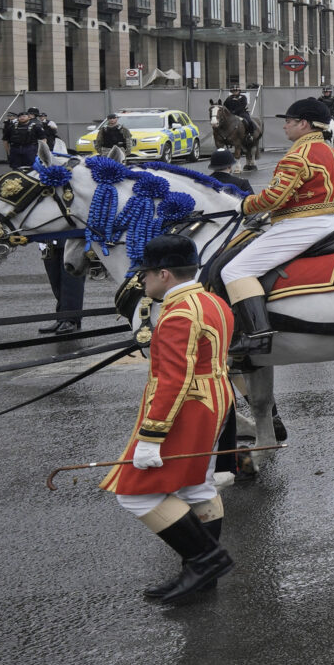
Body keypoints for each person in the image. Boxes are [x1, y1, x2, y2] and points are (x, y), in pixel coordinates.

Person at [104, 236, 237, 608]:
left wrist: (151, 436)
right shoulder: (212, 300)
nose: (142, 281)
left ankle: (205, 562)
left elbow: (175, 380)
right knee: (197, 486)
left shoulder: (179, 313)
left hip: (188, 408)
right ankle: (199, 574)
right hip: (215, 401)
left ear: (164, 273)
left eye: (145, 273)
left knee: (136, 494)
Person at [224, 98, 334, 359]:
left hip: (302, 225)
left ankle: (257, 336)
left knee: (235, 270)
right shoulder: (332, 153)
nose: (285, 127)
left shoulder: (299, 155)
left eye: (289, 122)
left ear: (304, 124)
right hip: (328, 221)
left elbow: (273, 198)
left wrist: (244, 205)